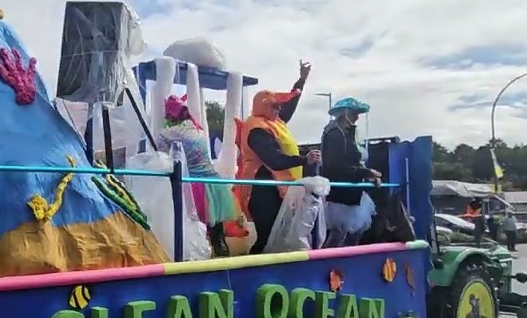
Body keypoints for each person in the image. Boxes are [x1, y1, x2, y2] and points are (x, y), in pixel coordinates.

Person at [232, 60, 319, 253]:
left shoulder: (273, 121)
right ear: (263, 106)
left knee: (278, 237)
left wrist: (301, 81)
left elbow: (289, 106)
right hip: (260, 188)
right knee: (267, 236)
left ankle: (269, 274)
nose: (278, 110)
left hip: (276, 189)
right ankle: (250, 275)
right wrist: (304, 160)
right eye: (274, 107)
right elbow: (274, 159)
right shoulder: (256, 128)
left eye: (278, 107)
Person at [156, 94, 243, 256]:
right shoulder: (198, 129)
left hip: (193, 184)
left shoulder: (168, 133)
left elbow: (161, 157)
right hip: (213, 181)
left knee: (193, 226)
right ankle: (224, 260)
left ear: (170, 115)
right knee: (217, 231)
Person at [318, 97, 381, 247]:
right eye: (354, 113)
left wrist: (368, 176)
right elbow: (337, 165)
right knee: (339, 235)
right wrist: (366, 173)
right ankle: (328, 265)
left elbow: (352, 161)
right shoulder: (334, 134)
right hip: (342, 194)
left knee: (351, 235)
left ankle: (343, 265)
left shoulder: (347, 133)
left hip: (352, 191)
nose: (357, 116)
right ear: (345, 113)